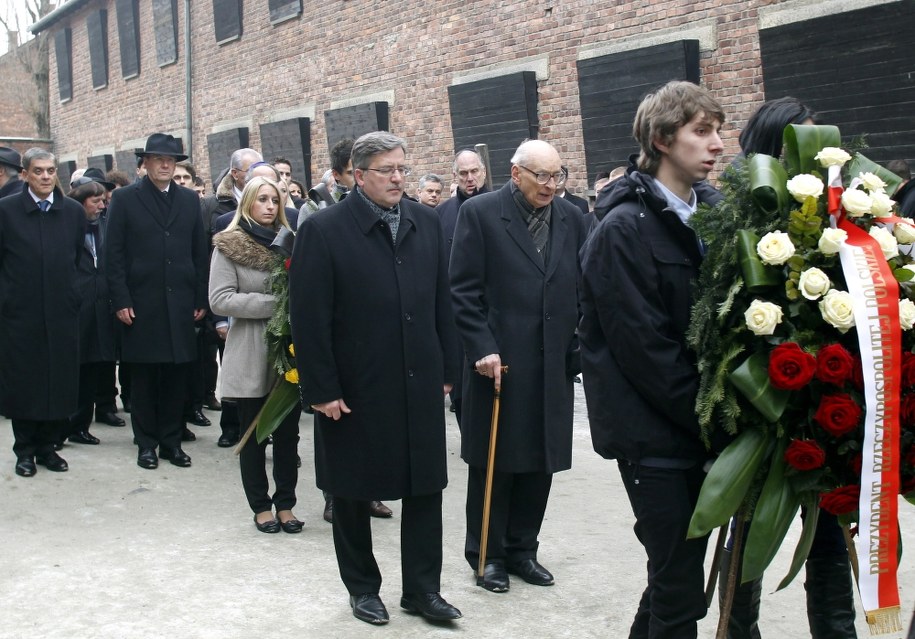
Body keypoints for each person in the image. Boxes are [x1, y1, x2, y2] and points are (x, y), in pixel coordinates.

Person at [289, 131, 461, 626]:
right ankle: (363, 587)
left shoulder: (426, 222)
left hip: (418, 378)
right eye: (387, 170)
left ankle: (423, 590)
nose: (398, 178)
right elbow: (309, 317)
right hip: (356, 385)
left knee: (426, 486)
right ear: (359, 176)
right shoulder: (324, 230)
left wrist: (448, 368)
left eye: (402, 168)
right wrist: (321, 389)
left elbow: (440, 302)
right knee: (352, 489)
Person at [579, 80, 726, 639]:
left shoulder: (710, 217)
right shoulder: (623, 228)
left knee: (674, 575)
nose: (716, 144)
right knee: (679, 583)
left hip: (698, 426)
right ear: (663, 139)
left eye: (717, 131)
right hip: (652, 433)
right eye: (701, 131)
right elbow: (644, 348)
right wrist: (713, 417)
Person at [722, 96, 858, 639]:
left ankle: (836, 631)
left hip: (825, 391)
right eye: (800, 138)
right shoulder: (740, 200)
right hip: (763, 397)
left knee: (828, 529)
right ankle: (739, 629)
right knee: (752, 524)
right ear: (776, 140)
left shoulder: (836, 206)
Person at [450, 139, 589, 593]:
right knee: (497, 462)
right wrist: (481, 347)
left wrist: (579, 341)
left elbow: (584, 285)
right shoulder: (481, 214)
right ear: (516, 174)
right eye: (542, 176)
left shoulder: (573, 217)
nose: (551, 185)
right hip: (500, 364)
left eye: (558, 176)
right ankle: (487, 554)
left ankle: (523, 549)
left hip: (553, 361)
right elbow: (463, 292)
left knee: (541, 461)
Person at [106, 133, 209, 470]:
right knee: (146, 379)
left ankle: (171, 442)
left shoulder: (189, 200)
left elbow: (198, 252)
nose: (166, 165)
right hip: (141, 303)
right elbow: (114, 254)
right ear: (145, 163)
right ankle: (147, 443)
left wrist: (199, 297)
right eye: (158, 159)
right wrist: (120, 298)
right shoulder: (124, 198)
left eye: (171, 160)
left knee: (177, 377)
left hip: (179, 302)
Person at [209, 176, 303, 534]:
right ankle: (260, 506)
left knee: (288, 434)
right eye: (262, 199)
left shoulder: (290, 243)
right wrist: (275, 304)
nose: (269, 206)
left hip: (288, 350)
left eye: (275, 200)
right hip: (250, 348)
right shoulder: (229, 246)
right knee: (254, 433)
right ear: (247, 203)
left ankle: (286, 504)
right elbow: (220, 299)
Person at [0, 148, 85, 477]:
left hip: (62, 312)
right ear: (25, 175)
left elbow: (77, 257)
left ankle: (50, 447)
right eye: (39, 171)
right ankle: (25, 450)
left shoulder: (73, 212)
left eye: (51, 171)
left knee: (59, 380)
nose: (46, 177)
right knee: (26, 381)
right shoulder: (6, 211)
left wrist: (73, 294)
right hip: (20, 314)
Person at [437, 149, 491, 427]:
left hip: (494, 315)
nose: (470, 179)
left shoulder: (501, 206)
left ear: (483, 172)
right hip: (455, 317)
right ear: (454, 177)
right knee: (462, 396)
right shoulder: (440, 215)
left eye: (474, 172)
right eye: (463, 173)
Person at [66, 177, 119, 446]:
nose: (101, 205)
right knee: (74, 370)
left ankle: (81, 426)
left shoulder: (104, 228)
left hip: (101, 309)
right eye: (95, 201)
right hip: (77, 309)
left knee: (93, 370)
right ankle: (64, 424)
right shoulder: (68, 228)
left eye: (103, 201)